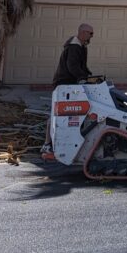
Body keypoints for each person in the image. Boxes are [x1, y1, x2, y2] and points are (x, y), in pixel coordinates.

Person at [43, 24, 95, 159]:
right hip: (63, 84)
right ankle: (48, 144)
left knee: (73, 114)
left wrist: (88, 75)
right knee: (57, 114)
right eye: (91, 33)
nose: (91, 36)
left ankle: (68, 141)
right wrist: (82, 78)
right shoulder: (74, 47)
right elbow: (72, 67)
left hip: (70, 83)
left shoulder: (81, 47)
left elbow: (81, 66)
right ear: (83, 32)